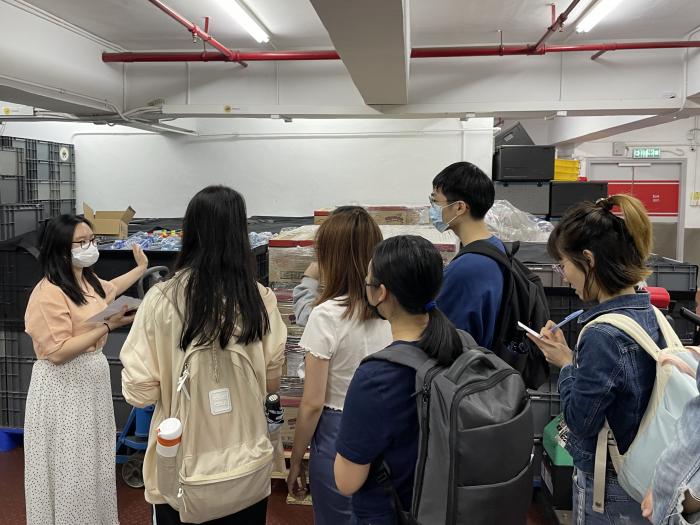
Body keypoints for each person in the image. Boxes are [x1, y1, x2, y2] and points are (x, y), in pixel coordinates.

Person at [120, 186, 287, 525]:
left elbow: (140, 392)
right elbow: (272, 380)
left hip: (181, 466)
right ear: (241, 233)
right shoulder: (260, 299)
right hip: (247, 464)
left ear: (190, 231)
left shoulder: (160, 300)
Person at [527, 195, 657, 524]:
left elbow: (582, 422)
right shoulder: (648, 312)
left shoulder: (601, 335)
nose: (564, 275)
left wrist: (568, 365)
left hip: (611, 486)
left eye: (564, 265)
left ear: (588, 260)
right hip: (646, 475)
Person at [23, 214, 148, 525]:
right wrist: (108, 324)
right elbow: (57, 352)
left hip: (91, 382)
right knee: (71, 464)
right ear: (59, 249)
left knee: (93, 458)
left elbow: (111, 289)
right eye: (80, 243)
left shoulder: (86, 279)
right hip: (62, 385)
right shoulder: (48, 292)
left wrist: (141, 268)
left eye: (91, 240)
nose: (88, 247)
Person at [334, 235, 464, 525]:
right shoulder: (462, 347)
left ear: (381, 293)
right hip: (450, 507)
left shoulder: (375, 377)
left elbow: (346, 482)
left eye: (368, 281)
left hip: (393, 513)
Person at [286, 206, 392, 525]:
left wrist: (295, 461)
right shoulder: (394, 307)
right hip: (391, 430)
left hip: (340, 433)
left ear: (329, 258)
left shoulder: (328, 315)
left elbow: (312, 403)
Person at [429, 161, 504, 348]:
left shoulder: (466, 268)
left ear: (459, 207)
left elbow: (445, 339)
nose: (432, 209)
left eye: (435, 201)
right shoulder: (495, 246)